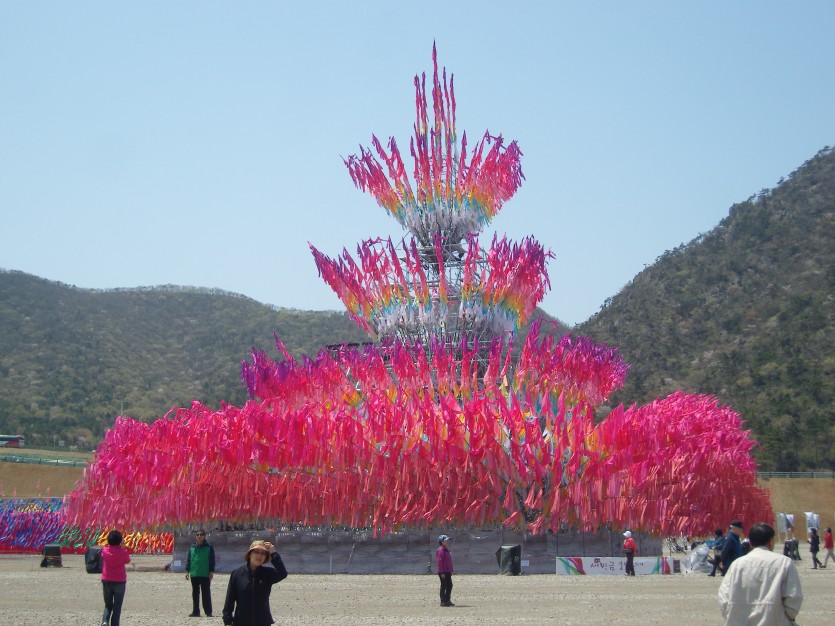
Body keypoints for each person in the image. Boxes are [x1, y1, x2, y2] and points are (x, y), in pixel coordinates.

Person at [718, 522, 802, 625]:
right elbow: (793, 598)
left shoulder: (737, 564)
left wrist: (732, 615)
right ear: (770, 541)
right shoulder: (784, 563)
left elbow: (724, 596)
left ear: (750, 543)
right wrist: (785, 617)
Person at [223, 540, 287, 626]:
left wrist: (273, 553)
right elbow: (230, 599)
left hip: (263, 622)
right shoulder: (237, 574)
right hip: (241, 622)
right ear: (250, 554)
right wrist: (227, 620)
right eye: (256, 552)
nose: (259, 556)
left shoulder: (267, 574)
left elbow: (283, 573)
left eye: (263, 553)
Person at [100, 530, 131, 626]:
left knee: (108, 605)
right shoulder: (123, 552)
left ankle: (105, 622)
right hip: (120, 581)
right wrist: (123, 546)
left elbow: (103, 554)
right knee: (117, 607)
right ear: (120, 540)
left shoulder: (105, 550)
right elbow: (127, 561)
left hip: (106, 580)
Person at [185, 529, 216, 617]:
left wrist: (211, 571)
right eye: (197, 535)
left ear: (204, 536)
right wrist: (187, 571)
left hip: (205, 574)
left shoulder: (209, 547)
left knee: (206, 593)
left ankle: (208, 612)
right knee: (195, 594)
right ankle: (196, 612)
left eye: (201, 535)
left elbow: (212, 560)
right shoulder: (192, 547)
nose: (199, 536)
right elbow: (189, 559)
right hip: (194, 573)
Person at [436, 534, 454, 607]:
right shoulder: (441, 550)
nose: (447, 542)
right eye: (445, 540)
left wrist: (450, 570)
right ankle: (443, 601)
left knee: (449, 585)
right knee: (444, 586)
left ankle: (447, 600)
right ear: (441, 542)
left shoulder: (446, 549)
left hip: (447, 571)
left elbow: (448, 562)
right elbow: (440, 562)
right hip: (443, 571)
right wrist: (442, 572)